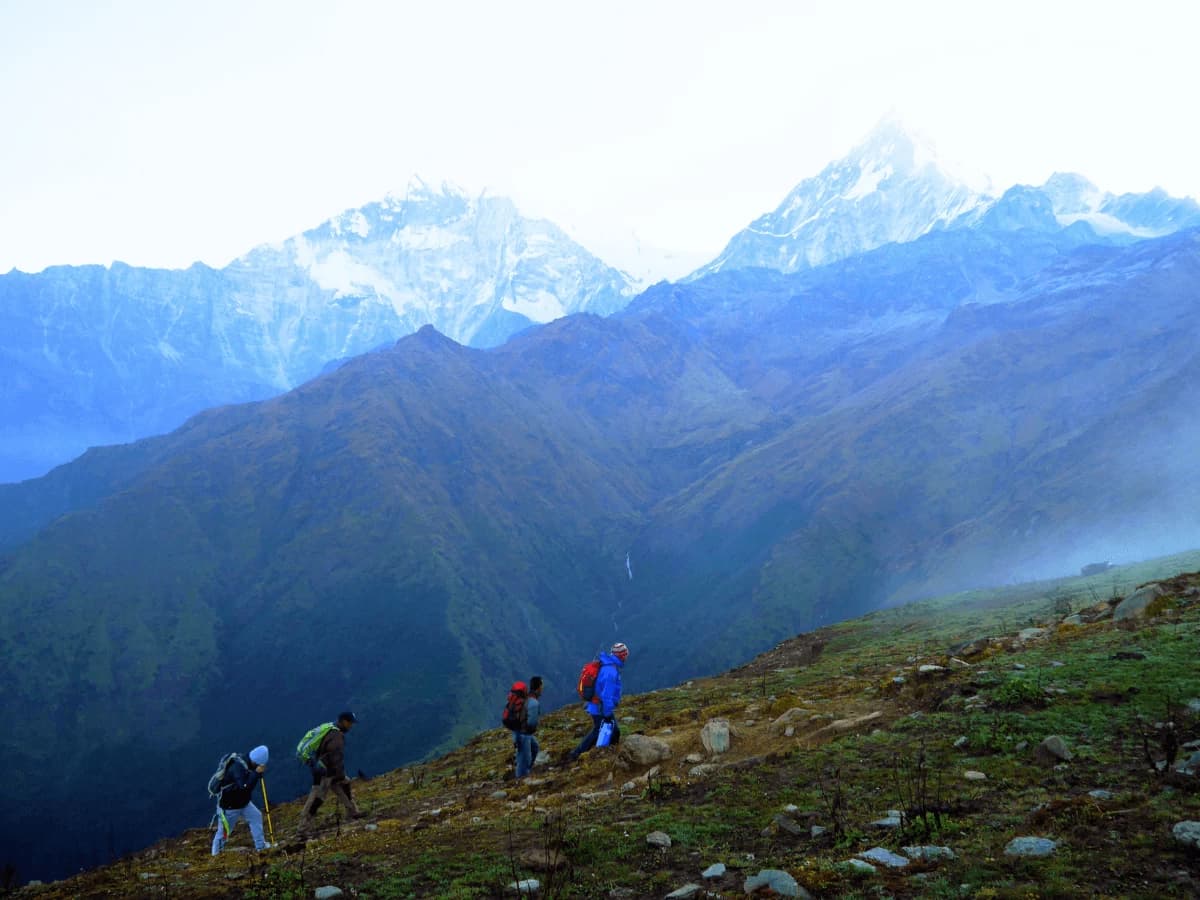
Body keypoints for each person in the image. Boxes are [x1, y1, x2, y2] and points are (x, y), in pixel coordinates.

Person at [298, 712, 363, 834]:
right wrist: (339, 775)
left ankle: (353, 812)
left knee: (344, 784)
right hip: (327, 772)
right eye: (350, 723)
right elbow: (335, 758)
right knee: (317, 798)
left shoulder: (329, 728)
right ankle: (303, 827)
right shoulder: (337, 736)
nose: (351, 726)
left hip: (322, 768)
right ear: (344, 721)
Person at [567, 643, 628, 762]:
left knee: (607, 731)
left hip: (597, 706)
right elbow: (606, 695)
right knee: (604, 731)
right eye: (625, 654)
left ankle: (598, 752)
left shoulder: (607, 665)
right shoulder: (611, 671)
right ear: (622, 656)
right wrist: (607, 713)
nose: (627, 657)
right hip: (601, 707)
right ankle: (578, 754)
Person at [212, 745, 271, 855]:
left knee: (256, 816)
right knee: (223, 832)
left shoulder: (246, 761)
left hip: (243, 802)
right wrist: (256, 773)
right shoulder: (237, 767)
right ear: (256, 762)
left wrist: (256, 773)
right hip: (230, 806)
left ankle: (261, 847)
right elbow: (244, 787)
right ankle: (216, 855)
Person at [514, 676, 542, 779]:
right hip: (524, 733)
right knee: (525, 758)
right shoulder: (534, 702)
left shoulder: (527, 698)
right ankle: (520, 779)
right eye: (542, 686)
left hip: (519, 731)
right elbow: (531, 723)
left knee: (535, 747)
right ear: (538, 687)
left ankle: (525, 771)